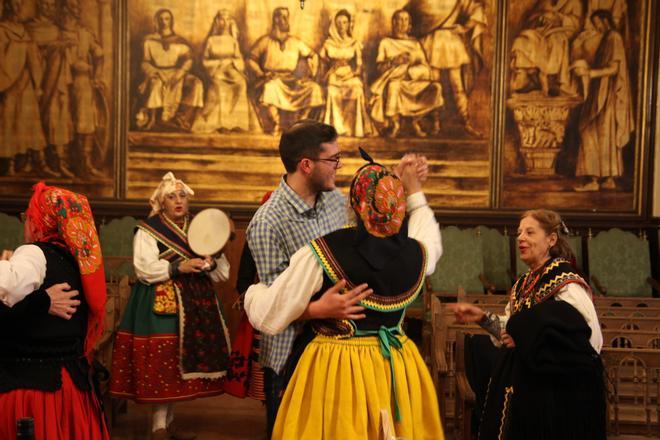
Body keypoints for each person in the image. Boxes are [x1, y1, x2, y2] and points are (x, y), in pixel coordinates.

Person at [246, 120, 430, 437]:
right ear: (306, 165)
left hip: (348, 354)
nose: (339, 165)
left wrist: (395, 183)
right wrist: (319, 309)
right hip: (292, 354)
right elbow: (276, 300)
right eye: (333, 159)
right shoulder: (267, 223)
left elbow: (374, 233)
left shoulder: (336, 201)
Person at [448, 209, 606, 440]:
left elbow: (589, 342)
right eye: (519, 232)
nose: (520, 238)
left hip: (554, 393)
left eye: (530, 232)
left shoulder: (566, 283)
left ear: (551, 239)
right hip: (522, 385)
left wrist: (534, 344)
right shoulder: (523, 283)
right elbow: (511, 330)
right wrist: (482, 317)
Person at [109, 172, 231, 440]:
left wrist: (210, 264)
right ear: (160, 202)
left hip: (195, 306)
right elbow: (144, 269)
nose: (178, 201)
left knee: (179, 365)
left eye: (182, 196)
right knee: (162, 361)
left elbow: (222, 273)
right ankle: (158, 427)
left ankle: (169, 423)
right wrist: (179, 266)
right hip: (160, 304)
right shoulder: (149, 230)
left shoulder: (201, 228)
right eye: (172, 196)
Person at [0, 182, 108, 439]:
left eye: (28, 216)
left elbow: (6, 287)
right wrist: (42, 301)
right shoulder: (78, 262)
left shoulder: (33, 253)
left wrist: (4, 266)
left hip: (32, 390)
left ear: (40, 220)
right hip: (70, 387)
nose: (25, 222)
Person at [405, 0, 487, 137]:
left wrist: (465, 28)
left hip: (450, 41)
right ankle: (434, 123)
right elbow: (413, 11)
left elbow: (477, 9)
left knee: (457, 86)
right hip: (432, 40)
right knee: (432, 84)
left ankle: (466, 121)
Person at [573, 9, 633, 192]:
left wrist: (589, 73)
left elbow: (614, 69)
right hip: (601, 91)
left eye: (597, 22)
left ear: (604, 21)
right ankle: (606, 178)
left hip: (607, 94)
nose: (596, 26)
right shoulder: (609, 38)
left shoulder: (613, 37)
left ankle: (595, 179)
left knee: (592, 132)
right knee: (601, 134)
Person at [0, 0, 56, 177]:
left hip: (26, 84)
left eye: (19, 5)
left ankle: (33, 161)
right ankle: (8, 164)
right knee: (9, 123)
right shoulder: (2, 30)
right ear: (8, 7)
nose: (17, 8)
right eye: (14, 5)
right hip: (10, 85)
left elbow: (34, 58)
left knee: (30, 123)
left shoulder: (23, 30)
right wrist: (24, 47)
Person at [247, 7, 324, 134]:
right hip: (273, 79)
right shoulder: (265, 41)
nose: (284, 20)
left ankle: (300, 124)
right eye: (281, 16)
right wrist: (261, 74)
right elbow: (250, 60)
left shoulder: (295, 42)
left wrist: (312, 73)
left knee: (314, 88)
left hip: (292, 80)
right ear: (275, 19)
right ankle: (275, 124)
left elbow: (313, 55)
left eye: (286, 17)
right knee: (270, 88)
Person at [369, 9, 444, 138]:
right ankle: (395, 124)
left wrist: (410, 72)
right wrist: (394, 61)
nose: (402, 23)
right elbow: (379, 67)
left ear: (409, 24)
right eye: (399, 19)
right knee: (394, 86)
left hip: (414, 81)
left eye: (405, 20)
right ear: (393, 22)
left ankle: (416, 121)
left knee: (436, 88)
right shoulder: (386, 43)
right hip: (395, 81)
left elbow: (426, 67)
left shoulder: (415, 43)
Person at [191, 9, 261, 134]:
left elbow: (239, 59)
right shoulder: (211, 41)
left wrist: (232, 63)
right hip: (217, 72)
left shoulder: (233, 40)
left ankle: (237, 123)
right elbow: (205, 61)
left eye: (227, 19)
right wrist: (220, 64)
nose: (224, 22)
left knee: (241, 84)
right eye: (222, 19)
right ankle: (220, 123)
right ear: (218, 21)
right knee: (218, 87)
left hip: (231, 71)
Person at [27, 0, 75, 178]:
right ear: (40, 5)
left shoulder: (56, 29)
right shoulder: (30, 28)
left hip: (56, 83)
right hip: (35, 83)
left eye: (53, 5)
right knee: (35, 120)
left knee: (57, 119)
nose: (50, 8)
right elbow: (31, 54)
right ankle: (37, 160)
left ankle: (58, 160)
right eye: (46, 4)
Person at [135, 9, 204, 131]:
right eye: (161, 19)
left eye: (167, 19)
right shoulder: (149, 41)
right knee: (156, 84)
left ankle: (182, 117)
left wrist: (181, 72)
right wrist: (156, 72)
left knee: (196, 83)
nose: (164, 22)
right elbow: (144, 62)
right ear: (157, 21)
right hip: (157, 72)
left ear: (171, 21)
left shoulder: (179, 41)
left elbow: (189, 60)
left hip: (177, 72)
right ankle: (153, 119)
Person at [61, 0, 106, 177]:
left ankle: (84, 162)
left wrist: (96, 76)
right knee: (63, 122)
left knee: (85, 122)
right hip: (61, 82)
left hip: (82, 82)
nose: (73, 12)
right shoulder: (59, 33)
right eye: (70, 8)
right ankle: (64, 162)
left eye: (75, 8)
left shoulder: (84, 33)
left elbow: (99, 54)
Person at [319, 9, 374, 138]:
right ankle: (336, 128)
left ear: (349, 24)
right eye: (339, 23)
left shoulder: (354, 43)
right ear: (334, 25)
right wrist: (330, 69)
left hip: (350, 74)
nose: (342, 26)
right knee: (332, 92)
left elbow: (360, 66)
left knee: (357, 89)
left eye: (345, 22)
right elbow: (322, 64)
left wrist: (353, 74)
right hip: (334, 74)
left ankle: (355, 128)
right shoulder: (328, 43)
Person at [510, 0, 582, 96]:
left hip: (563, 30)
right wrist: (541, 17)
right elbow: (533, 17)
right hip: (543, 30)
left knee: (556, 41)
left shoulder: (574, 2)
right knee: (522, 40)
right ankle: (525, 76)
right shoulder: (544, 2)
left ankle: (550, 77)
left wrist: (558, 18)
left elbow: (576, 24)